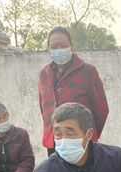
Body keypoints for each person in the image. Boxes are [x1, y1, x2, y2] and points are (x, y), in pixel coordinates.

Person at [38, 26, 109, 156]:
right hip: (54, 142)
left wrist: (89, 134)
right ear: (48, 49)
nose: (59, 49)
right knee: (56, 170)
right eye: (54, 47)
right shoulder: (44, 74)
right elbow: (44, 108)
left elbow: (101, 109)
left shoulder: (88, 71)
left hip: (81, 141)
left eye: (63, 45)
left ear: (71, 45)